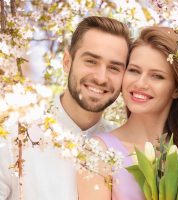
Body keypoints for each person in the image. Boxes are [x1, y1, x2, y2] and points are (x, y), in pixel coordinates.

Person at [77, 26, 178, 199]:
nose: (140, 83)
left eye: (157, 76)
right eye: (134, 70)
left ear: (177, 89)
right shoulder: (98, 152)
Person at [0, 16, 131, 200]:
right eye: (91, 61)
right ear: (67, 62)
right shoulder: (15, 133)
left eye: (114, 68)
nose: (101, 78)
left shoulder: (122, 150)